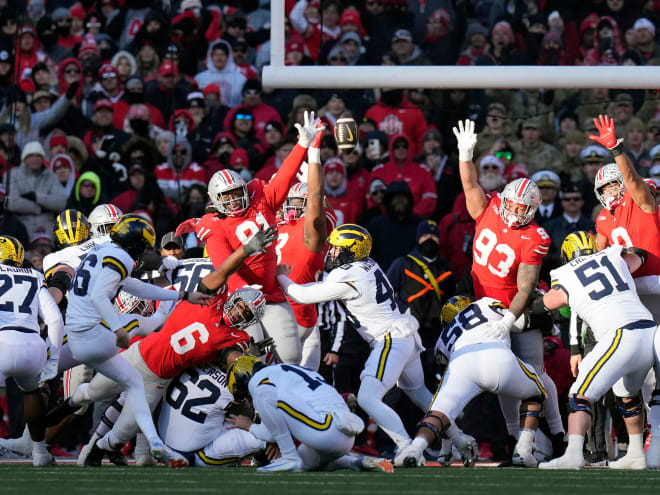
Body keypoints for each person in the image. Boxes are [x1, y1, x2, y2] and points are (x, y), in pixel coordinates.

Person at [62, 214, 211, 468]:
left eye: (176, 248)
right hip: (108, 335)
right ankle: (93, 444)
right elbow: (116, 295)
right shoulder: (121, 260)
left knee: (123, 395)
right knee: (104, 396)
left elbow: (144, 290)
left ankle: (124, 447)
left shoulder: (116, 257)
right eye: (167, 247)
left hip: (115, 336)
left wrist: (176, 289)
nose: (170, 252)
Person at [453, 119, 565, 456]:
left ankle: (558, 434)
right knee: (503, 378)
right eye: (512, 206)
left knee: (535, 374)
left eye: (522, 208)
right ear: (504, 200)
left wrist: (507, 320)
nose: (515, 212)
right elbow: (470, 182)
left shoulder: (535, 236)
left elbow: (526, 286)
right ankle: (513, 440)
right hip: (484, 309)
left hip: (515, 310)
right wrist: (465, 153)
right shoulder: (487, 209)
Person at [177, 111, 323, 364]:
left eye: (236, 193)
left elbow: (286, 176)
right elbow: (223, 267)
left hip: (271, 291)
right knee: (251, 359)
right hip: (239, 300)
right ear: (216, 200)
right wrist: (242, 290)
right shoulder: (215, 226)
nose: (234, 200)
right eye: (227, 197)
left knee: (290, 357)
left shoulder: (260, 200)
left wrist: (302, 145)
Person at [276, 224, 433, 459]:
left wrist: (279, 276)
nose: (331, 252)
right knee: (419, 393)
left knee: (368, 398)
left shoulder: (347, 274)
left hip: (390, 339)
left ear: (352, 250)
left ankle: (407, 447)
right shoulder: (368, 265)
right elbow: (319, 288)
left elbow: (304, 296)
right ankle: (458, 438)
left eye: (336, 249)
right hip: (404, 335)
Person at [539, 232, 655, 470]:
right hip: (650, 329)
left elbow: (549, 302)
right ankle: (635, 453)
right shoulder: (613, 255)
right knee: (627, 393)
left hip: (621, 334)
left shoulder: (563, 273)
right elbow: (639, 256)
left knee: (579, 393)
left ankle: (573, 454)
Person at [395, 296, 546, 468]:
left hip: (461, 363)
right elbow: (520, 322)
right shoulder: (485, 303)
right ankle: (523, 450)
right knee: (537, 393)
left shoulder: (442, 338)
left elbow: (446, 388)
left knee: (439, 413)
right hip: (495, 355)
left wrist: (447, 450)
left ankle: (415, 449)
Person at [226, 356, 393, 473]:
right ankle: (356, 462)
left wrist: (250, 426)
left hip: (325, 429)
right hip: (345, 436)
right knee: (307, 462)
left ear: (245, 377)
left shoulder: (260, 381)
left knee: (264, 394)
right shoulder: (288, 370)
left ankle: (289, 458)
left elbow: (272, 433)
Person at [0, 235, 64, 466]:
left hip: (2, 339)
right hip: (32, 343)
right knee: (32, 392)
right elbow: (55, 320)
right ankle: (39, 453)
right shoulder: (35, 276)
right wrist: (53, 359)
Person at [276, 128, 336, 370]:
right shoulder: (280, 225)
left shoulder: (304, 227)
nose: (296, 208)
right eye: (293, 203)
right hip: (295, 309)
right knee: (300, 373)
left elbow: (317, 200)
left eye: (302, 203)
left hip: (298, 308)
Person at [387, 219, 456, 389]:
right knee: (403, 376)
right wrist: (403, 313)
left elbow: (453, 299)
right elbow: (387, 293)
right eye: (425, 235)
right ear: (418, 239)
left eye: (433, 236)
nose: (429, 239)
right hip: (409, 330)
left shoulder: (447, 268)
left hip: (435, 332)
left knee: (432, 375)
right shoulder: (403, 263)